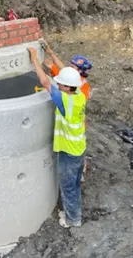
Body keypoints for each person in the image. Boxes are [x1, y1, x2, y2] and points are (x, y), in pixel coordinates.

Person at [27, 45, 87, 228]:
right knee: (75, 185)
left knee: (68, 187)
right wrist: (52, 55)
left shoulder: (64, 101)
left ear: (68, 87)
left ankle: (72, 220)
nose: (57, 84)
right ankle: (73, 212)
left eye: (60, 83)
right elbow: (62, 77)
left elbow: (45, 82)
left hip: (69, 152)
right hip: (79, 150)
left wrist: (35, 59)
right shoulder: (78, 96)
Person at [39, 39, 93, 182]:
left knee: (76, 150)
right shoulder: (73, 79)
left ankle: (80, 172)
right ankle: (79, 169)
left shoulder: (81, 87)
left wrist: (34, 59)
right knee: (78, 149)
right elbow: (54, 65)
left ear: (80, 72)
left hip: (75, 125)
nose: (69, 67)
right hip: (75, 122)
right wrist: (49, 52)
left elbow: (53, 74)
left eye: (73, 66)